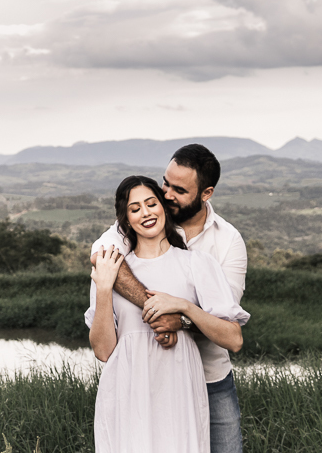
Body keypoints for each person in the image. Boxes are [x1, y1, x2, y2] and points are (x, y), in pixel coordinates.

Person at [91, 144, 248, 453]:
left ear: (206, 193)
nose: (166, 196)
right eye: (165, 184)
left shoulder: (224, 244)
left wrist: (180, 314)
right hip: (131, 385)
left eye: (178, 189)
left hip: (204, 375)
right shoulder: (122, 240)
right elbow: (100, 258)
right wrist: (121, 296)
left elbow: (228, 329)